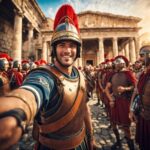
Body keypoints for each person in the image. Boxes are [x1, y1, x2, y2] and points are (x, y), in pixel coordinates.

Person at [0, 4, 98, 150]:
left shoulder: (81, 76)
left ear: (78, 50)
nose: (67, 50)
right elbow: (32, 92)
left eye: (72, 45)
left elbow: (84, 110)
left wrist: (91, 137)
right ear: (53, 49)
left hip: (82, 144)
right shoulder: (44, 75)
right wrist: (15, 111)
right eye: (62, 45)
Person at [105, 55, 136, 150]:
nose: (116, 65)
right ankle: (118, 142)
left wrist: (125, 89)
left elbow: (135, 87)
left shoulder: (128, 74)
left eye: (118, 63)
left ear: (122, 64)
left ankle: (132, 148)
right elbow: (106, 89)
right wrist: (111, 99)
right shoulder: (113, 75)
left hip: (124, 102)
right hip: (115, 103)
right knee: (113, 124)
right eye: (116, 63)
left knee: (126, 127)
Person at [129, 33, 150, 150]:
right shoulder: (143, 74)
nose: (139, 58)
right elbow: (137, 92)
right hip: (142, 116)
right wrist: (132, 109)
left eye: (142, 55)